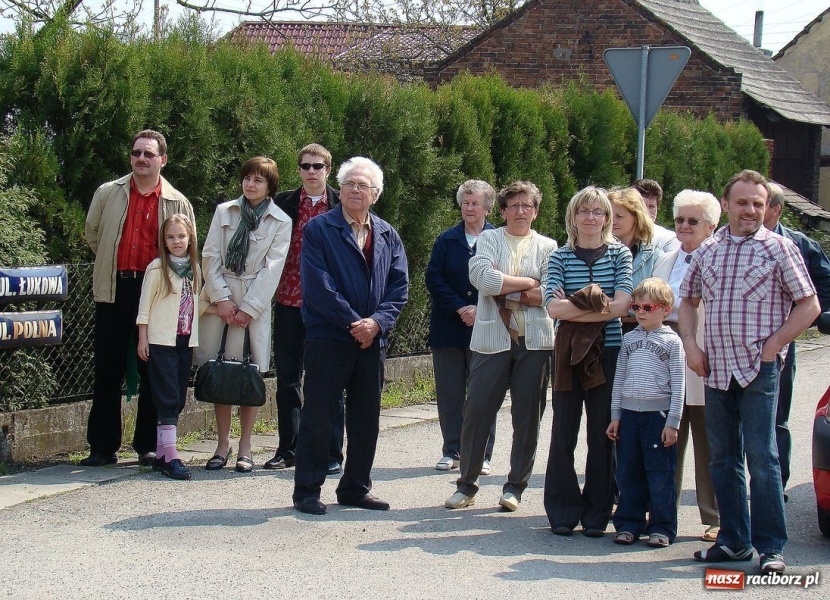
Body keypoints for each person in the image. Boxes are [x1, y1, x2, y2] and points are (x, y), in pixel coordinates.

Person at [680, 169, 819, 574]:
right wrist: (691, 345)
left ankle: (771, 547)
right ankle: (733, 542)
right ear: (726, 205)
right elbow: (687, 301)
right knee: (723, 460)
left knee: (763, 458)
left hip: (760, 369)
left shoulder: (779, 248)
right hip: (716, 368)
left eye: (757, 204)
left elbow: (808, 305)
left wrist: (775, 345)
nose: (750, 210)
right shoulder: (707, 250)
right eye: (742, 203)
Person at [293, 157, 408, 515]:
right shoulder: (319, 229)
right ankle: (307, 491)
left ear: (375, 194)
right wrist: (354, 323)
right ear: (339, 190)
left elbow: (399, 287)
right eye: (349, 184)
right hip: (329, 337)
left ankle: (356, 487)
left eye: (363, 185)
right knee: (318, 414)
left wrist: (376, 324)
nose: (354, 190)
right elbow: (318, 286)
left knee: (366, 416)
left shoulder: (388, 234)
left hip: (372, 341)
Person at [81, 129, 194, 467]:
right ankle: (102, 447)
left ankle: (148, 445)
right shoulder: (108, 193)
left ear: (163, 159)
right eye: (136, 153)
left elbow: (187, 249)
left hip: (159, 294)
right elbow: (93, 235)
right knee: (107, 370)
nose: (141, 159)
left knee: (153, 369)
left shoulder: (178, 202)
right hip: (115, 289)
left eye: (148, 154)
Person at [444, 181, 556, 512]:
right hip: (492, 340)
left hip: (535, 344)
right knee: (477, 411)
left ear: (536, 211)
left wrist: (508, 287)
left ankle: (515, 486)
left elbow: (550, 295)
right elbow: (482, 279)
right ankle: (466, 484)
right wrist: (529, 284)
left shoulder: (549, 247)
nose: (520, 211)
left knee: (527, 417)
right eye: (514, 205)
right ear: (503, 211)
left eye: (527, 206)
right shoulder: (489, 239)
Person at [543, 186, 633, 537]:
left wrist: (576, 304)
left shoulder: (619, 254)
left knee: (602, 433)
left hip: (608, 352)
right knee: (563, 431)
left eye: (598, 212)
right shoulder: (559, 257)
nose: (591, 218)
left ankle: (597, 512)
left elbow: (623, 306)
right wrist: (599, 302)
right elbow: (553, 308)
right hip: (566, 354)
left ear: (607, 218)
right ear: (573, 217)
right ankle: (563, 511)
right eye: (584, 211)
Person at [197, 157, 291, 473]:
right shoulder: (225, 211)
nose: (251, 185)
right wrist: (222, 300)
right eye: (247, 178)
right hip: (221, 304)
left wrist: (249, 308)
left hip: (255, 306)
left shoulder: (280, 220)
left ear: (270, 186)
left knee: (249, 375)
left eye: (259, 180)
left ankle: (245, 446)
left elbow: (273, 268)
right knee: (222, 371)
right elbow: (209, 256)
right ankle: (222, 445)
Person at [264, 143, 345, 476]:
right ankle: (289, 448)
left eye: (318, 166)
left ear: (328, 169)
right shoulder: (282, 203)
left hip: (328, 306)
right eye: (305, 166)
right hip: (288, 301)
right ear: (298, 170)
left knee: (329, 380)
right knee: (288, 380)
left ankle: (331, 453)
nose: (311, 171)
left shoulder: (343, 203)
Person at [652, 189, 722, 542]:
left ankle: (715, 516)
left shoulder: (720, 257)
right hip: (667, 351)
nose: (684, 226)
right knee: (667, 436)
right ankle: (664, 514)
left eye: (693, 220)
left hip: (706, 352)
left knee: (710, 439)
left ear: (711, 226)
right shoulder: (667, 259)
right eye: (679, 219)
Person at [425, 180, 498, 474]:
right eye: (465, 203)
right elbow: (434, 278)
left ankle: (482, 454)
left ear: (488, 208)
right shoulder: (446, 240)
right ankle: (452, 450)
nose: (469, 208)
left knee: (484, 393)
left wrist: (480, 308)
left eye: (475, 203)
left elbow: (504, 277)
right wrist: (460, 307)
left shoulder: (499, 239)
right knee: (450, 392)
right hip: (449, 328)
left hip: (487, 327)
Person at [607, 277, 685, 548]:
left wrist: (673, 422)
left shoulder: (673, 342)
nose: (640, 312)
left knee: (660, 472)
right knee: (628, 472)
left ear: (665, 309)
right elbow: (619, 379)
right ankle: (629, 523)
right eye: (636, 307)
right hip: (629, 414)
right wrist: (616, 415)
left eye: (647, 307)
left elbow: (679, 384)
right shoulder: (629, 339)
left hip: (658, 416)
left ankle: (661, 526)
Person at [764, 183, 830, 496]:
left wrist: (814, 319)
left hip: (782, 345)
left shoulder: (801, 245)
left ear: (775, 209)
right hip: (733, 345)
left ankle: (775, 485)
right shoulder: (726, 243)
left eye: (760, 204)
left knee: (777, 417)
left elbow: (825, 288)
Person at [136, 214, 201, 480]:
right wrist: (143, 336)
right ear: (163, 240)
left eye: (181, 236)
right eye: (171, 237)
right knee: (166, 396)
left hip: (185, 340)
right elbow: (145, 306)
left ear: (190, 239)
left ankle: (163, 454)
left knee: (179, 397)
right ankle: (171, 454)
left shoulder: (195, 269)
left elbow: (198, 300)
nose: (177, 242)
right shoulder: (156, 269)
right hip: (161, 339)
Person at [609, 187, 663, 333]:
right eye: (609, 215)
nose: (612, 221)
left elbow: (657, 300)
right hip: (603, 332)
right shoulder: (599, 251)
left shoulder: (655, 255)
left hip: (642, 333)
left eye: (619, 216)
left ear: (636, 217)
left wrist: (624, 309)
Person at [633, 178, 680, 253]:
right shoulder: (617, 235)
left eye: (651, 206)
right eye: (642, 206)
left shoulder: (668, 238)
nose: (646, 211)